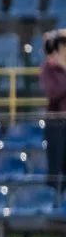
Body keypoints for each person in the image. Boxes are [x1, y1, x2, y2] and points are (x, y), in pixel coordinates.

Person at [39, 29, 66, 192]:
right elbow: (53, 93)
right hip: (56, 125)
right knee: (55, 170)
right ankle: (53, 207)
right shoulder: (48, 70)